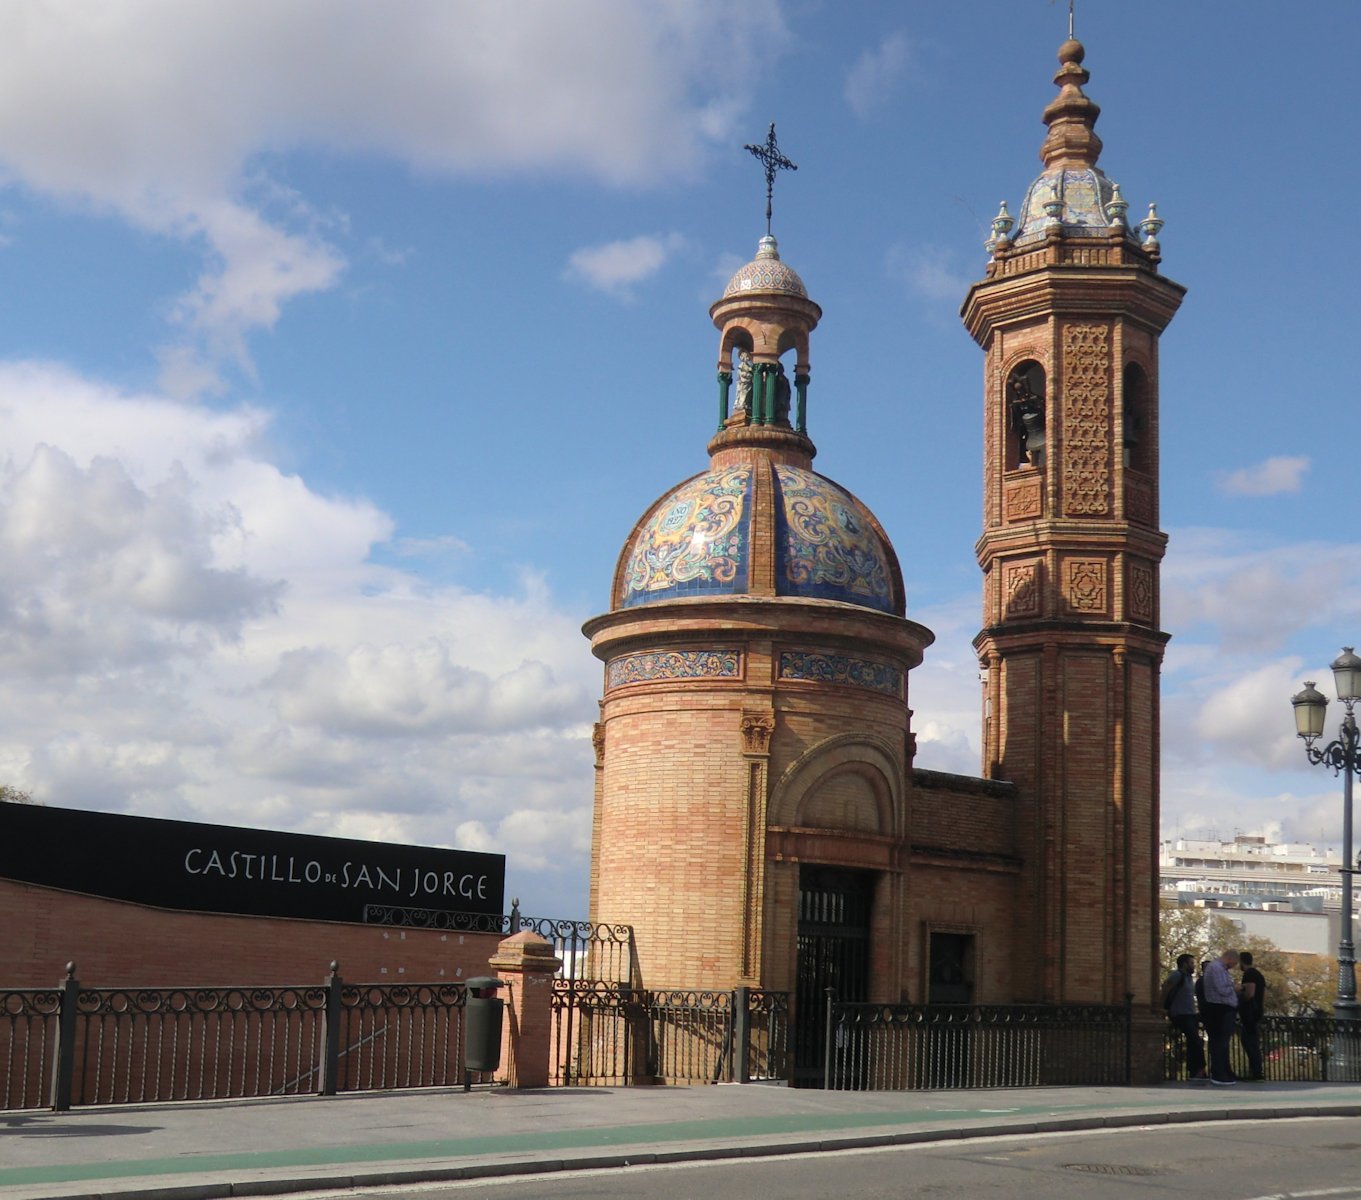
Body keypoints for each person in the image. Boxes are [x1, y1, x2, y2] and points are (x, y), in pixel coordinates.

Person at [1160, 953, 1206, 1080]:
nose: (1194, 966)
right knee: (1195, 1041)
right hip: (1181, 1014)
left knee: (1195, 1042)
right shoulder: (1177, 975)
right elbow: (1165, 988)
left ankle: (1195, 1071)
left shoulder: (1189, 978)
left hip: (1190, 1014)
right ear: (1184, 964)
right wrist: (1162, 1008)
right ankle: (1198, 1070)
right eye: (1192, 963)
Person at [1201, 949, 1241, 1085]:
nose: (1234, 966)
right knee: (1220, 1042)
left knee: (1220, 1042)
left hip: (1219, 1008)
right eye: (1234, 963)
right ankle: (1219, 1074)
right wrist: (1235, 988)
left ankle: (1225, 1071)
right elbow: (1222, 990)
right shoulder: (1217, 968)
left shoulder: (1218, 968)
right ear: (1230, 958)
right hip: (1221, 1009)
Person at [1238, 951, 1267, 1081]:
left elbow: (1249, 993)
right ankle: (1256, 1071)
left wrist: (1239, 994)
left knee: (1249, 1042)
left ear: (1241, 961)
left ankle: (1256, 1072)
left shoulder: (1249, 974)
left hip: (1250, 1014)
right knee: (1251, 1042)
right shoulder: (1259, 975)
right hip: (1257, 1012)